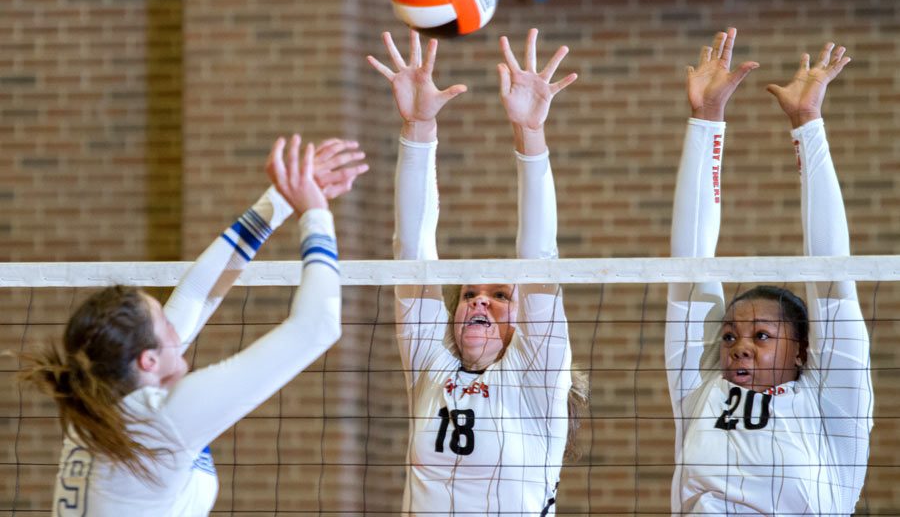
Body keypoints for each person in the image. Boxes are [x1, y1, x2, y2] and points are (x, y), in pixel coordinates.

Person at [20, 137, 367, 516]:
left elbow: (198, 292)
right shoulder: (158, 420)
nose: (175, 328)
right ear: (148, 360)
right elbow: (317, 326)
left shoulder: (103, 402)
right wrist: (314, 213)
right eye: (163, 324)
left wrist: (283, 198)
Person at [368, 28, 586, 516]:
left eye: (499, 296)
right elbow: (412, 249)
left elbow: (538, 256)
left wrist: (529, 134)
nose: (478, 301)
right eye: (468, 293)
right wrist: (418, 128)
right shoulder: (431, 366)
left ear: (522, 320)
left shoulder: (537, 374)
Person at [666, 28, 873, 514]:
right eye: (731, 335)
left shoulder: (831, 407)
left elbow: (829, 269)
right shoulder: (701, 390)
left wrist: (807, 122)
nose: (738, 345)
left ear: (802, 350)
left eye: (762, 336)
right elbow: (689, 261)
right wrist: (706, 119)